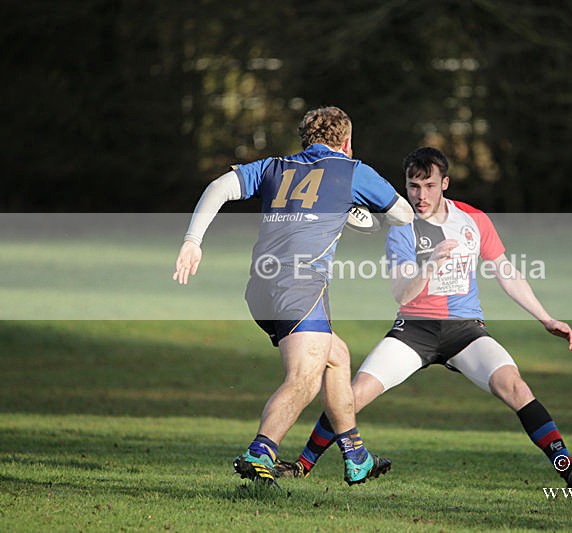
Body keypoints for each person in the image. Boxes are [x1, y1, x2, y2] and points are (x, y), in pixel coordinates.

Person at [273, 147, 572, 490]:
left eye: (429, 185)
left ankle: (570, 470)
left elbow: (505, 271)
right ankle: (302, 465)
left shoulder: (472, 220)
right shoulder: (402, 227)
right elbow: (403, 293)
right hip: (413, 332)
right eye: (413, 186)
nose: (420, 195)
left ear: (444, 183)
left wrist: (546, 318)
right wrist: (430, 263)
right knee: (352, 395)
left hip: (465, 331)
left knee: (515, 387)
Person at [172, 106, 414, 487]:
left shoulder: (274, 166)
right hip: (300, 284)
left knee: (337, 357)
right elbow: (403, 214)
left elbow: (218, 186)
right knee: (304, 377)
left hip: (261, 287)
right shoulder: (352, 171)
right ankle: (260, 452)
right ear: (347, 142)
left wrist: (192, 241)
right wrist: (362, 213)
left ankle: (357, 456)